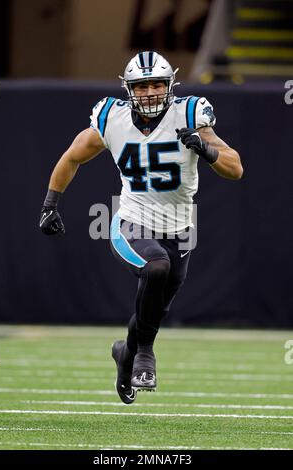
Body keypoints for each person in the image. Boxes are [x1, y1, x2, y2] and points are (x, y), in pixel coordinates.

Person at [40, 51, 243, 405]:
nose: (149, 92)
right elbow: (72, 156)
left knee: (154, 307)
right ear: (128, 89)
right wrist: (49, 204)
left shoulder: (191, 114)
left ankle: (126, 352)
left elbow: (235, 167)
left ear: (170, 86)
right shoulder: (111, 118)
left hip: (180, 230)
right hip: (130, 221)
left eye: (156, 84)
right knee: (155, 267)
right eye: (141, 85)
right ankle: (145, 354)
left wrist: (207, 151)